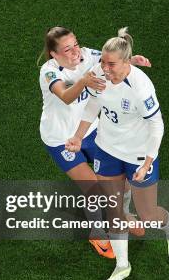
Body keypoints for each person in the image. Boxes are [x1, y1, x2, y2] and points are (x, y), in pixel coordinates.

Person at [65, 28, 169, 280]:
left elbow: (157, 125)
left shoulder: (140, 88)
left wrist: (148, 161)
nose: (104, 68)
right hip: (106, 149)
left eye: (111, 64)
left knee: (148, 214)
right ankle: (122, 266)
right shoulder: (99, 74)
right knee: (114, 211)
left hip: (138, 155)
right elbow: (94, 104)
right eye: (103, 62)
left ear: (126, 62)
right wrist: (78, 135)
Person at [38, 27, 150, 258]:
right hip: (60, 139)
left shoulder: (87, 55)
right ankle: (97, 232)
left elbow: (110, 60)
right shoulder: (49, 72)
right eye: (67, 49)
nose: (75, 52)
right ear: (53, 54)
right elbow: (66, 96)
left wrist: (131, 61)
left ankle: (123, 215)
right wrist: (84, 81)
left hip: (91, 128)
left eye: (75, 44)